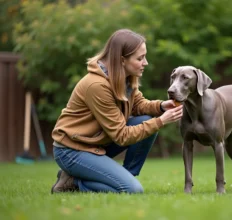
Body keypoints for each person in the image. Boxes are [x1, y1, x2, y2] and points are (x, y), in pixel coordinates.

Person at [50, 29, 183, 194]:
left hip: (96, 142)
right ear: (122, 60)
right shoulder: (97, 85)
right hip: (72, 150)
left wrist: (161, 106)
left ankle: (126, 178)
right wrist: (161, 121)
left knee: (145, 119)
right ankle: (73, 181)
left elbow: (138, 104)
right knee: (133, 190)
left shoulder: (125, 76)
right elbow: (121, 136)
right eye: (140, 58)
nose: (145, 63)